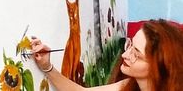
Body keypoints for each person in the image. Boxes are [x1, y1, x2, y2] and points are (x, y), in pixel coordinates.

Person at [31, 19, 183, 91]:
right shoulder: (130, 85)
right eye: (130, 45)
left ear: (159, 66)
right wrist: (47, 67)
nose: (124, 55)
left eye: (136, 54)